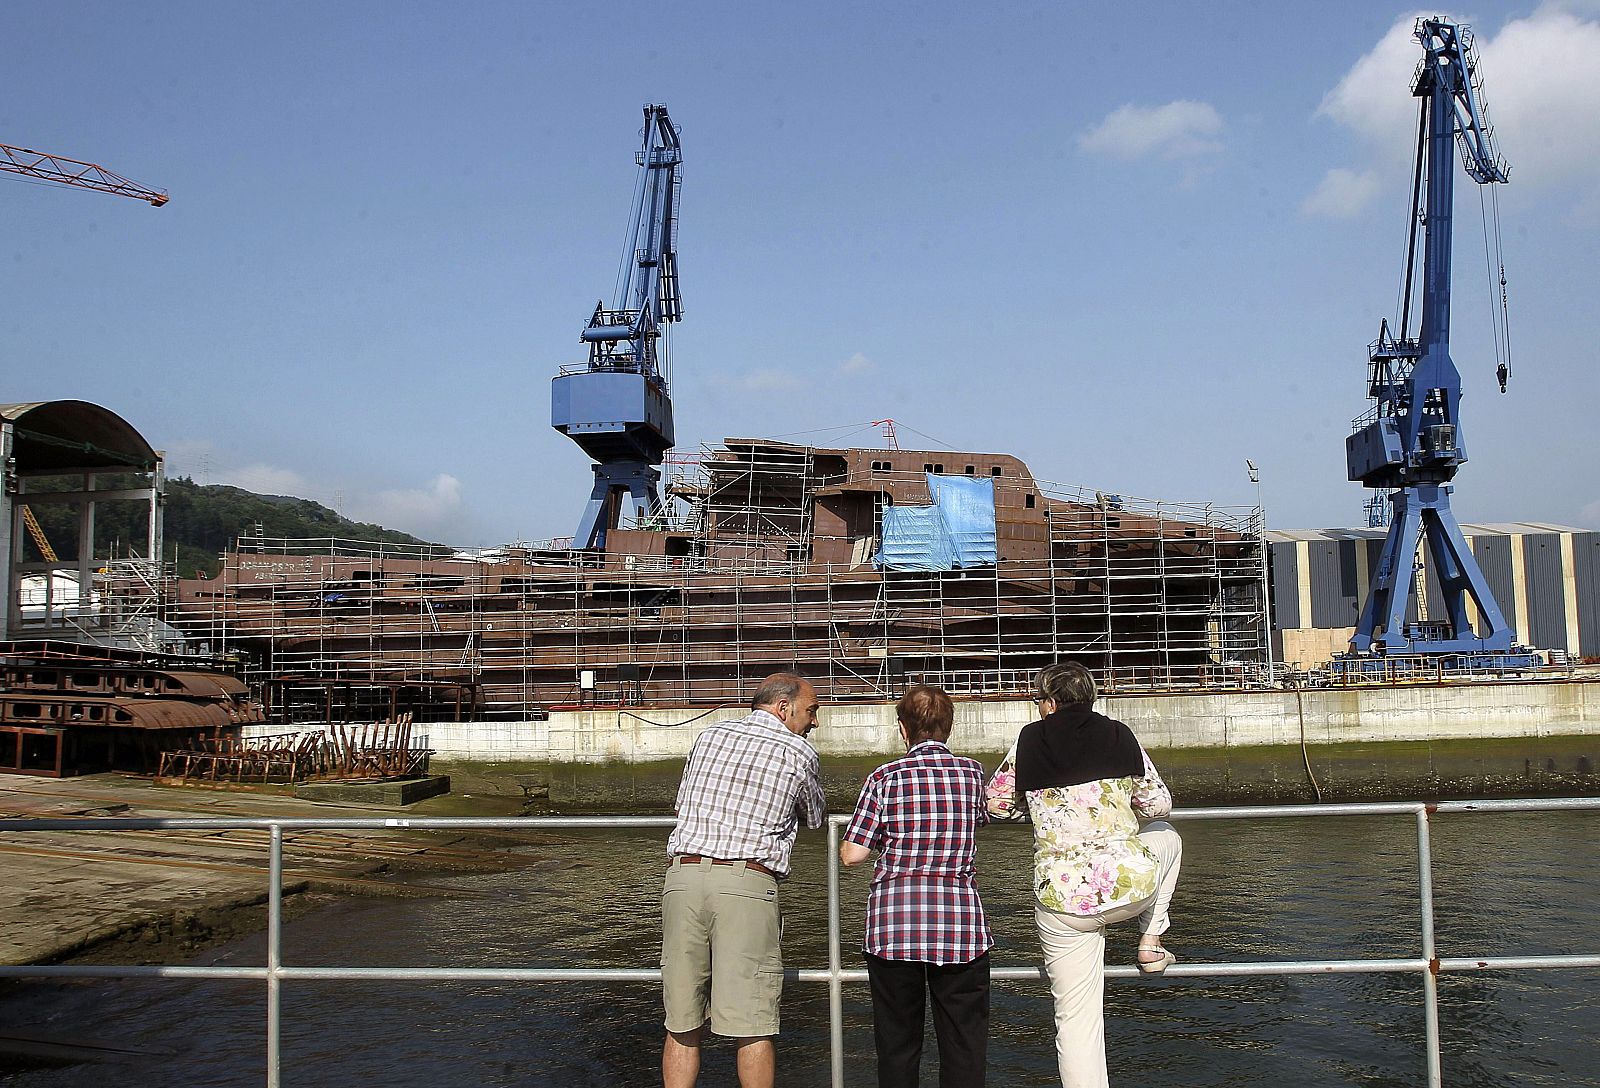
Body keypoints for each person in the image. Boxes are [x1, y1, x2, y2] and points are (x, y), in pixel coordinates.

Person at [984, 663, 1182, 1088]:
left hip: (1063, 900)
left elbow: (996, 805)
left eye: (1038, 700)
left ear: (1050, 703)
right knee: (1168, 837)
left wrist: (1035, 812)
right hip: (1129, 887)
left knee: (1076, 1020)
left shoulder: (1029, 740)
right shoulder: (1118, 733)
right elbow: (1158, 805)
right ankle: (1151, 940)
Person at [661, 671, 826, 1088]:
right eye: (811, 711)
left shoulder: (708, 736)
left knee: (681, 1019)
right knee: (752, 1022)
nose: (814, 722)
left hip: (683, 877)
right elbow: (816, 816)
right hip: (746, 883)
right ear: (783, 707)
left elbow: (684, 800)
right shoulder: (798, 752)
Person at [840, 685, 991, 1088]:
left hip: (895, 926)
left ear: (902, 729)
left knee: (897, 1045)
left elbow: (852, 855)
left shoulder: (885, 777)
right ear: (949, 727)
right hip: (960, 927)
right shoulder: (973, 772)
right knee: (964, 1045)